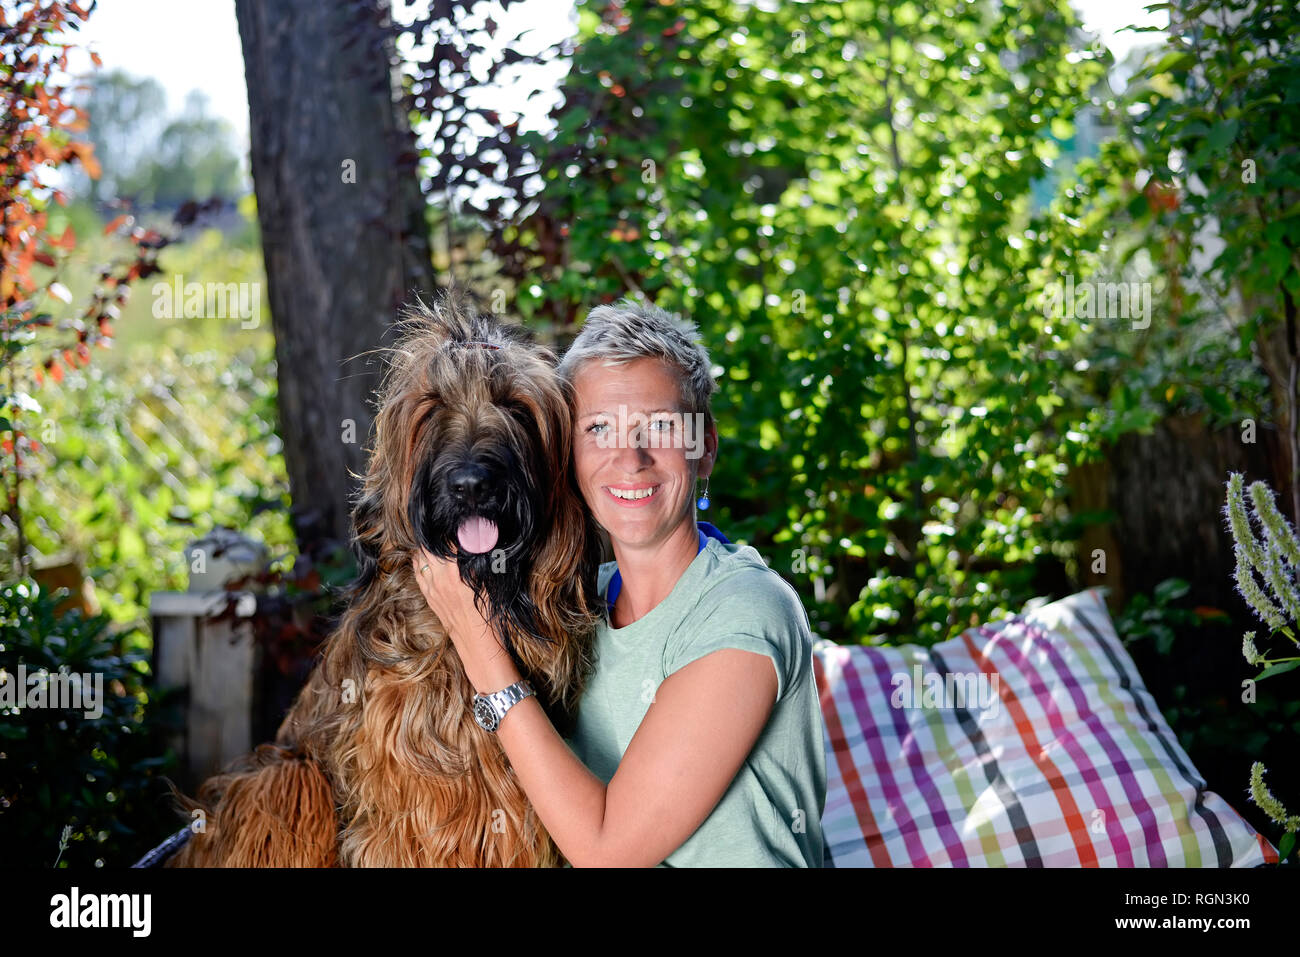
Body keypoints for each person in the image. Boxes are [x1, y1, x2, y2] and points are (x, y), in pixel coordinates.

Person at [412, 299, 827, 867]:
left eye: (658, 426)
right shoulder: (574, 603)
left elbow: (608, 851)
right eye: (599, 428)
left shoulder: (746, 609)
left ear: (703, 446)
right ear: (567, 454)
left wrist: (475, 637)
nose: (630, 460)